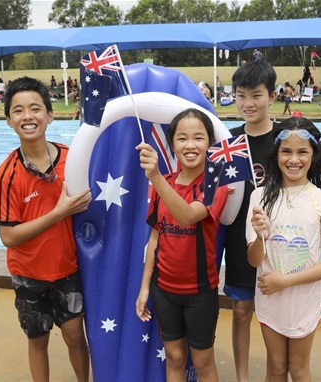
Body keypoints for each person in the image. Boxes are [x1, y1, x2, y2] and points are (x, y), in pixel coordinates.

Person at [223, 60, 321, 382]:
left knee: (287, 355)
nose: (248, 104)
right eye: (241, 96)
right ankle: (240, 378)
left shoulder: (290, 138)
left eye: (256, 95)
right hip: (248, 240)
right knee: (240, 312)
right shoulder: (227, 141)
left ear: (272, 95)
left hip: (286, 249)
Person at [0, 76, 92, 382]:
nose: (28, 116)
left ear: (49, 115)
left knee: (75, 335)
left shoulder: (72, 160)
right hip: (28, 274)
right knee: (38, 339)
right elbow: (8, 237)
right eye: (18, 110)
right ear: (9, 120)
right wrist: (58, 212)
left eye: (35, 108)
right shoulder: (7, 175)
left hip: (67, 268)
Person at [135, 108, 228, 382]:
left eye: (198, 138)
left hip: (200, 292)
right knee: (175, 357)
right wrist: (144, 288)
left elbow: (188, 215)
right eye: (182, 138)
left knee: (203, 362)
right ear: (172, 144)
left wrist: (156, 177)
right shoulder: (164, 184)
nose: (190, 145)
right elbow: (155, 237)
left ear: (210, 144)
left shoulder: (216, 184)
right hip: (164, 291)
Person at [246, 117, 321, 381]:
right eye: (286, 151)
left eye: (302, 152)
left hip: (303, 301)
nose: (293, 159)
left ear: (313, 156)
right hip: (269, 298)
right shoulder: (259, 197)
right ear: (276, 154)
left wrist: (283, 281)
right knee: (275, 367)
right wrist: (257, 234)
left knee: (298, 369)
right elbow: (254, 260)